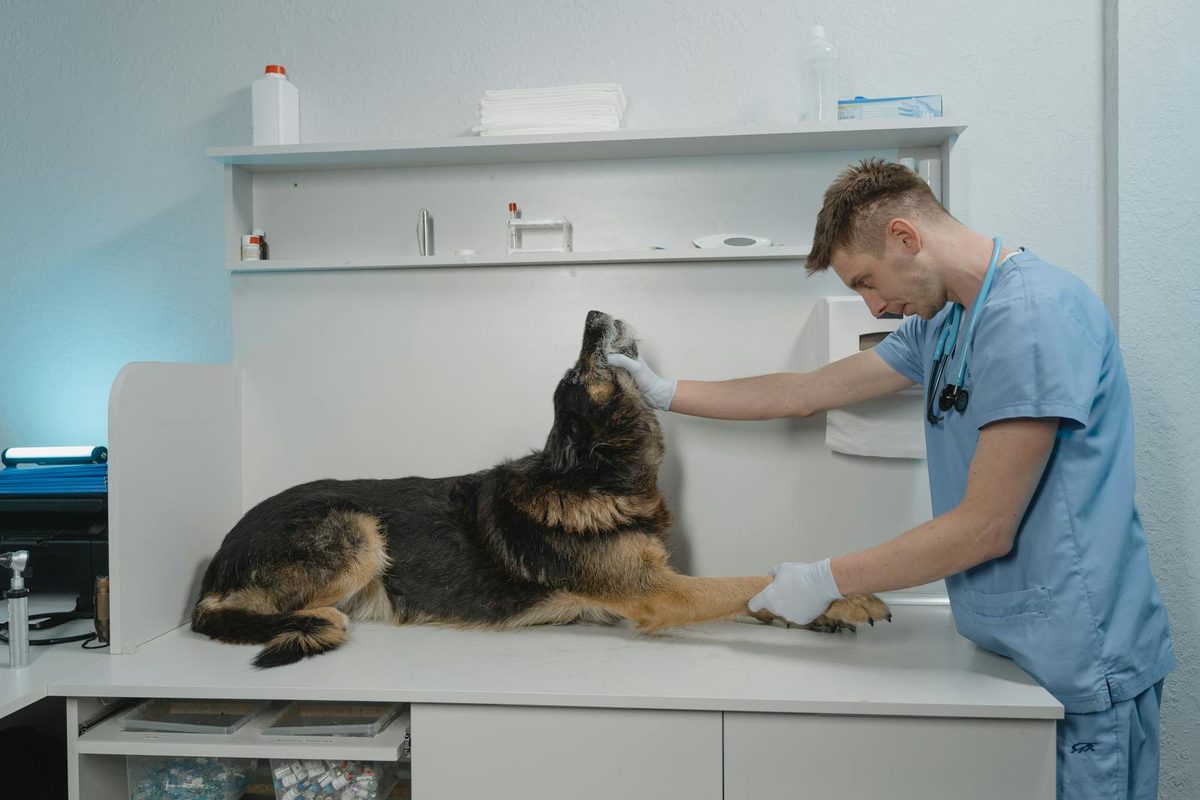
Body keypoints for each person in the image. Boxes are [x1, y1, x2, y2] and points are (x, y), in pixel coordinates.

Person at [607, 158, 1174, 800]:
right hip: (1013, 642)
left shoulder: (1032, 318)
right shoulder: (946, 321)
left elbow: (984, 528)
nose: (874, 305)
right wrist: (666, 391)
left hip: (1079, 649)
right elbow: (810, 390)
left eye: (867, 281)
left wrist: (824, 579)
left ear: (906, 237)